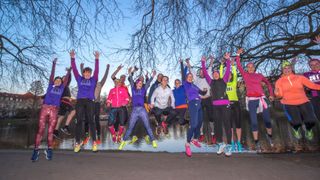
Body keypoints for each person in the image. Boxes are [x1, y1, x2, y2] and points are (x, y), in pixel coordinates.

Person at [31, 58, 70, 162]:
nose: (57, 81)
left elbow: (66, 80)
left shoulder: (62, 88)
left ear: (61, 83)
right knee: (41, 129)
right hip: (45, 109)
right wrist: (53, 64)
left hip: (54, 110)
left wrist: (69, 71)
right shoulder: (50, 86)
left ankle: (49, 149)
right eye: (56, 80)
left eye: (59, 80)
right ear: (53, 81)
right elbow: (52, 75)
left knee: (50, 131)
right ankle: (36, 150)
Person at [236, 48, 274, 152]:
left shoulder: (259, 75)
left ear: (254, 68)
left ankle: (270, 136)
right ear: (247, 69)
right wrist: (238, 55)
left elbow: (268, 83)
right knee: (254, 122)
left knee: (267, 120)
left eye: (252, 67)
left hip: (262, 99)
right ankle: (256, 142)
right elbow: (238, 66)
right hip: (252, 100)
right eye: (248, 67)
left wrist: (271, 94)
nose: (250, 68)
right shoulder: (245, 75)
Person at [275, 61, 320, 140]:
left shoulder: (300, 77)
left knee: (311, 120)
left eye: (288, 68)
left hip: (304, 101)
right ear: (282, 70)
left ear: (291, 68)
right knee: (296, 122)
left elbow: (312, 85)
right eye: (284, 68)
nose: (287, 70)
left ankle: (308, 130)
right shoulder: (279, 81)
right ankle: (296, 129)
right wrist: (277, 93)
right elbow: (280, 95)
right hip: (289, 103)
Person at [202, 54, 233, 157]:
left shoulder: (224, 80)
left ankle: (229, 145)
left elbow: (228, 70)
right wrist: (203, 62)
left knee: (227, 124)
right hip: (215, 106)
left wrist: (228, 60)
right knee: (217, 125)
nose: (215, 74)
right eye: (214, 73)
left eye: (217, 73)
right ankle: (220, 143)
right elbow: (206, 73)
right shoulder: (211, 82)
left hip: (225, 105)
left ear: (219, 75)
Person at [119, 70, 158, 150]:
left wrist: (152, 76)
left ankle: (153, 140)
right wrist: (130, 73)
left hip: (142, 110)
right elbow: (131, 80)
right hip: (134, 111)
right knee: (130, 127)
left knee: (147, 125)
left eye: (141, 83)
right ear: (136, 84)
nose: (140, 84)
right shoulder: (133, 89)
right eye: (139, 83)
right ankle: (123, 142)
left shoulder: (143, 89)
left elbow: (148, 83)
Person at [71, 50, 100, 153]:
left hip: (90, 102)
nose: (87, 74)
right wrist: (73, 58)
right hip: (80, 102)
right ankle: (78, 143)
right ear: (83, 73)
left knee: (91, 121)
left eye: (89, 73)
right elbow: (74, 69)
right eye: (86, 72)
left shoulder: (93, 79)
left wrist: (96, 59)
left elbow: (97, 70)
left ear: (91, 74)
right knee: (79, 121)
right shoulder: (79, 79)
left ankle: (94, 143)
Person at [187, 57, 215, 144]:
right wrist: (188, 62)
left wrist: (211, 60)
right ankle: (201, 134)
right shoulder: (196, 79)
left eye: (203, 71)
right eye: (201, 72)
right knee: (200, 118)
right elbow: (191, 70)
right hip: (199, 100)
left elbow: (210, 68)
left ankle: (213, 134)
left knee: (211, 117)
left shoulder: (208, 76)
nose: (202, 73)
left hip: (208, 98)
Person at [81, 63, 110, 145]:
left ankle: (98, 136)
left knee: (96, 118)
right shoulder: (89, 82)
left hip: (96, 103)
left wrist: (107, 68)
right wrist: (82, 67)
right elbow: (84, 76)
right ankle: (87, 135)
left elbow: (105, 77)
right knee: (87, 118)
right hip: (89, 102)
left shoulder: (100, 84)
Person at [182, 62, 207, 157]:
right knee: (194, 124)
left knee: (200, 122)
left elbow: (202, 93)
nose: (190, 77)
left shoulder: (194, 85)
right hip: (193, 103)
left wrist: (204, 91)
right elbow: (183, 73)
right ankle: (187, 143)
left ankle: (195, 139)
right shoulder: (185, 84)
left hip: (199, 103)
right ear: (186, 78)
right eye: (188, 76)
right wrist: (183, 65)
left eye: (191, 76)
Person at [219, 58, 242, 152]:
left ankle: (239, 143)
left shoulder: (234, 82)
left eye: (229, 75)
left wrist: (232, 65)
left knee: (238, 125)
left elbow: (236, 73)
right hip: (227, 105)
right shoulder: (223, 83)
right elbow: (220, 74)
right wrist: (221, 65)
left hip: (235, 104)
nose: (228, 76)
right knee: (230, 126)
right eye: (226, 75)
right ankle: (232, 142)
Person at [54, 68, 75, 138]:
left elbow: (69, 78)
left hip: (63, 103)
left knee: (61, 117)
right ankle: (66, 127)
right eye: (64, 78)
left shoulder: (66, 86)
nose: (65, 79)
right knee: (73, 111)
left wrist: (69, 72)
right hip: (65, 102)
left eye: (66, 78)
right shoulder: (62, 86)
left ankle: (55, 131)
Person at [106, 79, 130, 143]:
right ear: (114, 83)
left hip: (121, 108)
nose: (117, 83)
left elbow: (127, 98)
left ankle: (119, 136)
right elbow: (109, 98)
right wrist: (108, 102)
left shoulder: (123, 89)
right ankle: (113, 134)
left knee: (122, 123)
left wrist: (125, 102)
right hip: (113, 107)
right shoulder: (112, 90)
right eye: (115, 82)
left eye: (118, 82)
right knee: (110, 123)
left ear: (120, 83)